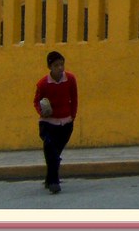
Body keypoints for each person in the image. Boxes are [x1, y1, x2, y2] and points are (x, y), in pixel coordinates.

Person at [33, 51, 78, 194]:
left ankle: (49, 178)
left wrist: (72, 116)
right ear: (49, 67)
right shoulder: (43, 83)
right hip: (48, 123)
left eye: (62, 64)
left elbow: (74, 98)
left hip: (66, 123)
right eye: (56, 65)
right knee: (50, 149)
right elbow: (36, 101)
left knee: (55, 153)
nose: (60, 68)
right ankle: (54, 182)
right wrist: (42, 111)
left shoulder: (70, 79)